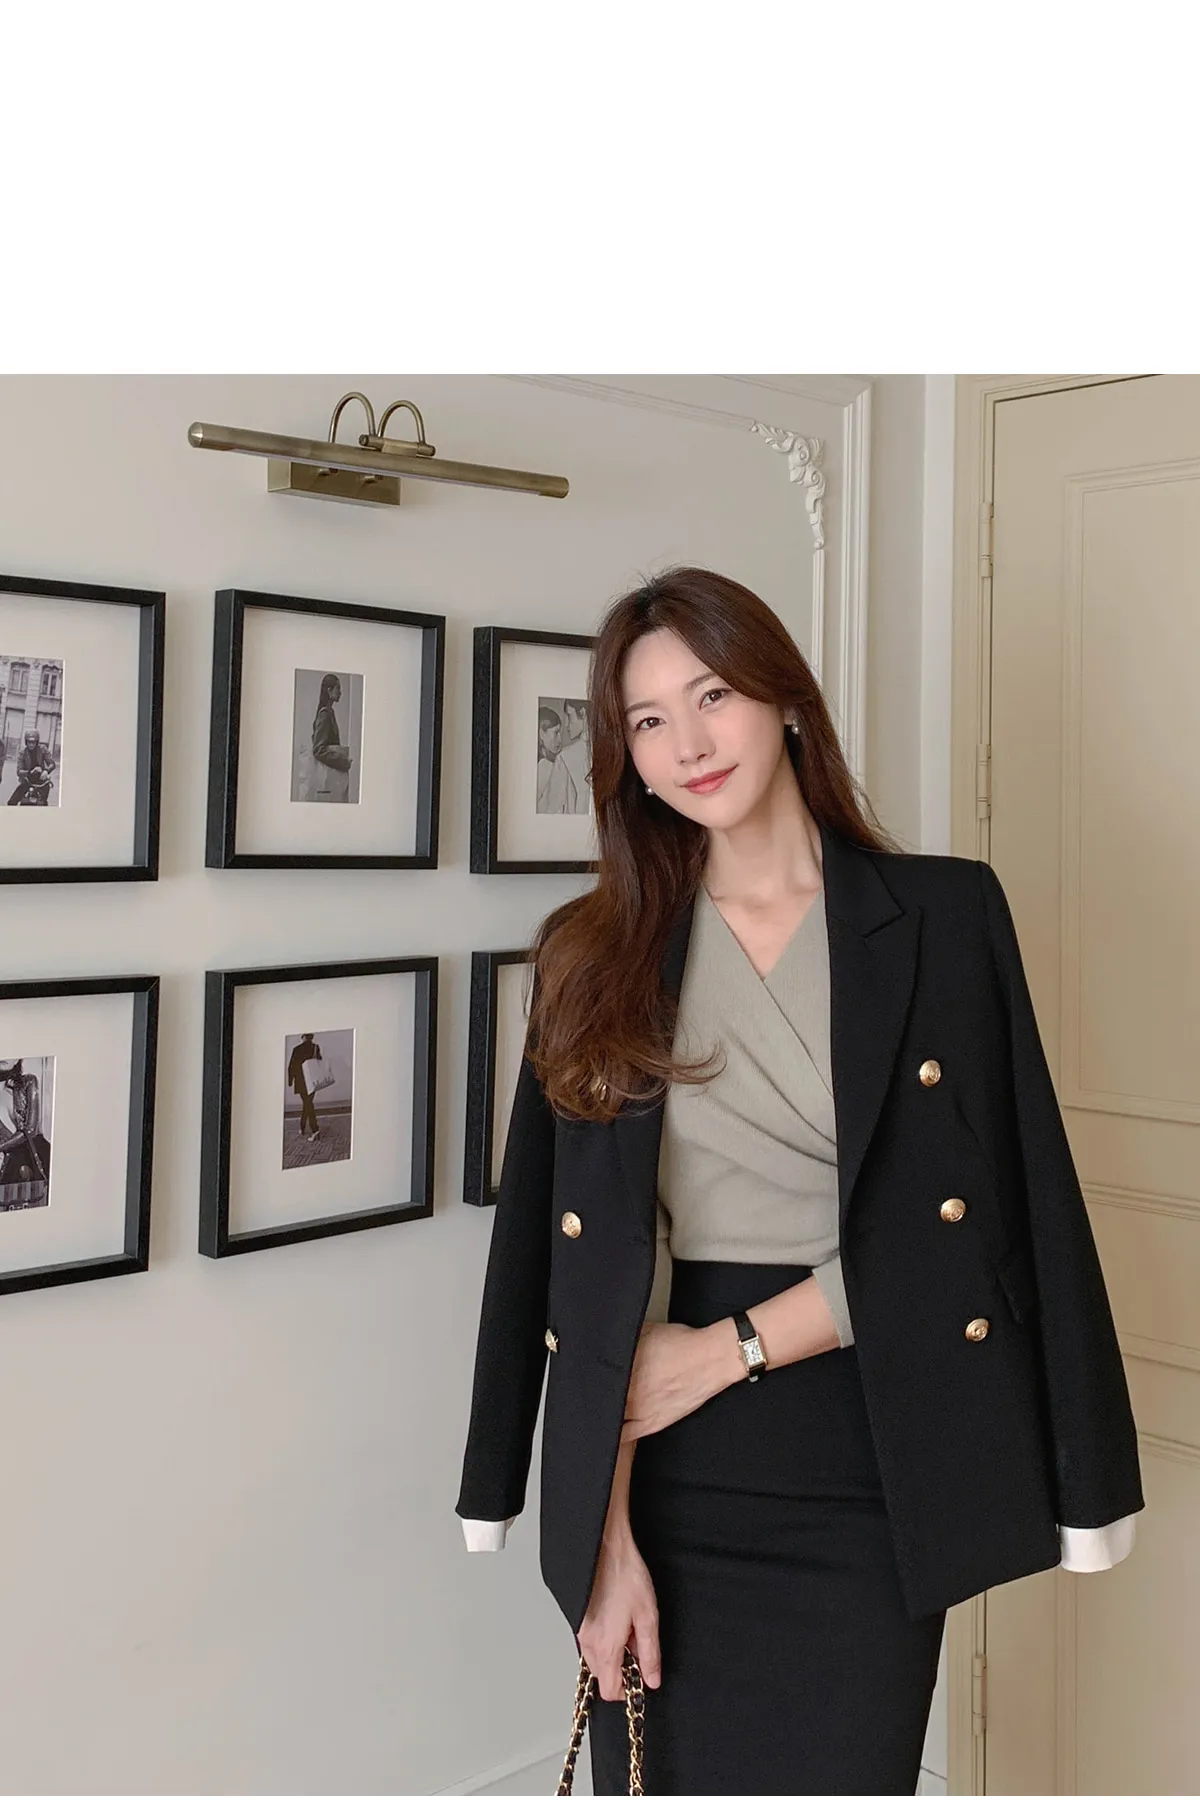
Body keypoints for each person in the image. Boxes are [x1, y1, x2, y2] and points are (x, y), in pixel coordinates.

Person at [455, 565, 1144, 1796]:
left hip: (873, 1455)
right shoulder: (591, 953)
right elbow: (581, 1274)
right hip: (663, 1475)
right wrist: (605, 1546)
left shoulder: (943, 914)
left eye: (711, 695)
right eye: (648, 721)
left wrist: (731, 1353)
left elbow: (994, 1219)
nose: (688, 744)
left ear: (783, 699)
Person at [309, 674, 352, 803]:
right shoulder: (325, 714)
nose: (340, 692)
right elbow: (318, 750)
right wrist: (342, 761)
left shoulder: (329, 712)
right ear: (329, 690)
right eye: (338, 688)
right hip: (330, 777)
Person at [287, 1033, 321, 1141]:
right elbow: (319, 1062)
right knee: (308, 1103)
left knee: (308, 1104)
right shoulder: (316, 1047)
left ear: (304, 1037)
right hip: (312, 1080)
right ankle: (302, 1127)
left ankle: (315, 1130)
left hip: (301, 1082)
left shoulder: (297, 1049)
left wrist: (290, 1081)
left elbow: (291, 1066)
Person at [7, 730, 55, 805]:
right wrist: (30, 772)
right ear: (26, 742)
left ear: (37, 742)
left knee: (43, 803)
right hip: (28, 780)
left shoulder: (43, 749)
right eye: (29, 742)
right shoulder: (22, 753)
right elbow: (19, 771)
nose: (31, 745)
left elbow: (52, 763)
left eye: (33, 742)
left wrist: (46, 771)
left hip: (42, 781)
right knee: (11, 802)